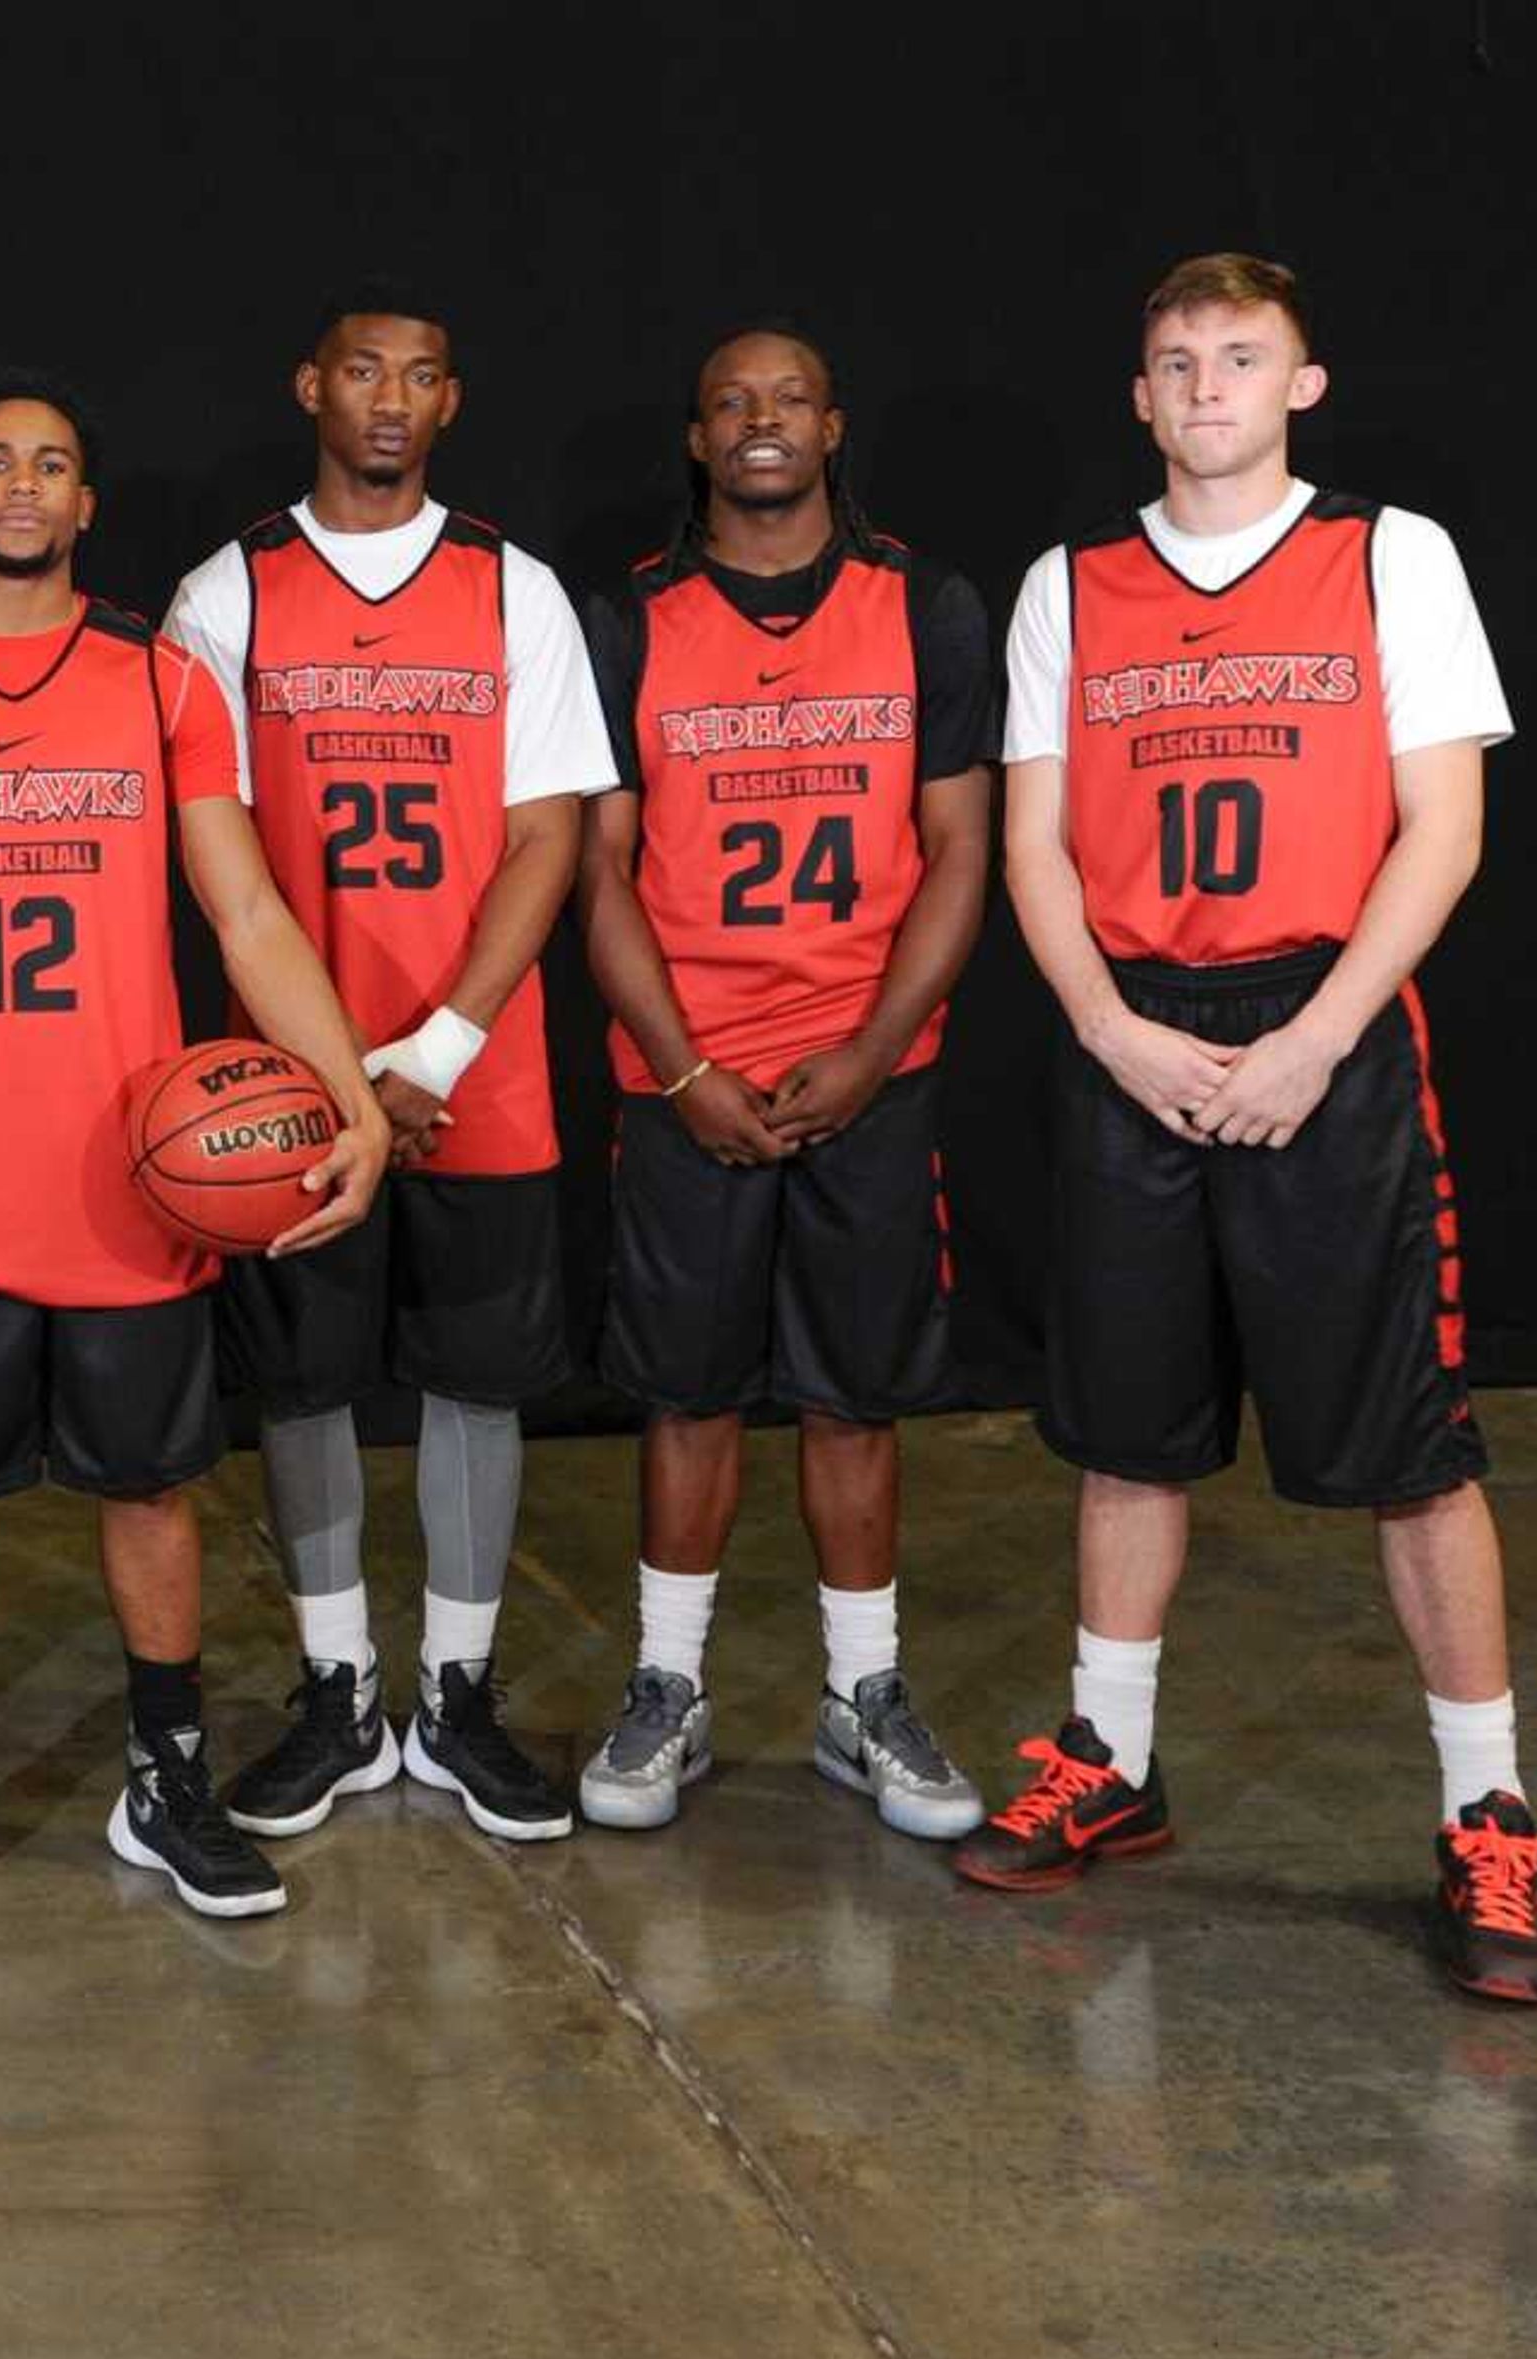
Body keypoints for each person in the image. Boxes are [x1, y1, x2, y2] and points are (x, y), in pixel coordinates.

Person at [986, 253, 1537, 2003]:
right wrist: (1105, 1029)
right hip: (1137, 1037)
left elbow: (1443, 829)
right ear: (1140, 395)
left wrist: (1317, 1039)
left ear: (1303, 384)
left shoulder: (1392, 556)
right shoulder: (1066, 585)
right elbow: (1032, 845)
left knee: (1412, 1448)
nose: (1207, 385)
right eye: (1175, 362)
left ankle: (1489, 1818)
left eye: (1242, 357)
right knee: (1127, 1431)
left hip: (1327, 1027)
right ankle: (1112, 1758)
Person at [0, 374, 388, 1934]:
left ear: (86, 508)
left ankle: (168, 1778)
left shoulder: (160, 676)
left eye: (53, 464)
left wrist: (353, 1098)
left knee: (152, 1494)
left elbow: (247, 911)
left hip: (139, 1183)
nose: (20, 483)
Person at [162, 286, 615, 1846]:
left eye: (422, 374)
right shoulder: (224, 594)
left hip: (472, 1063)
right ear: (311, 385)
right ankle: (338, 1690)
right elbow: (213, 865)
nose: (390, 397)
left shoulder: (515, 591)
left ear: (450, 402)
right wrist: (346, 1067)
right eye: (363, 369)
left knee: (475, 1384)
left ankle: (461, 1695)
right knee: (305, 1385)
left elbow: (548, 834)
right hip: (289, 1073)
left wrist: (438, 1043)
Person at [569, 322, 996, 1836]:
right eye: (730, 403)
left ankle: (858, 1693)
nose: (761, 422)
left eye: (789, 398)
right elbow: (599, 868)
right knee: (686, 1394)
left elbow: (962, 850)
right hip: (688, 1076)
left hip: (868, 1071)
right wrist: (682, 1065)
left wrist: (875, 1050)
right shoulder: (628, 619)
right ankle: (667, 1691)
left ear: (833, 426)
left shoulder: (925, 604)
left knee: (851, 1398)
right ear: (699, 439)